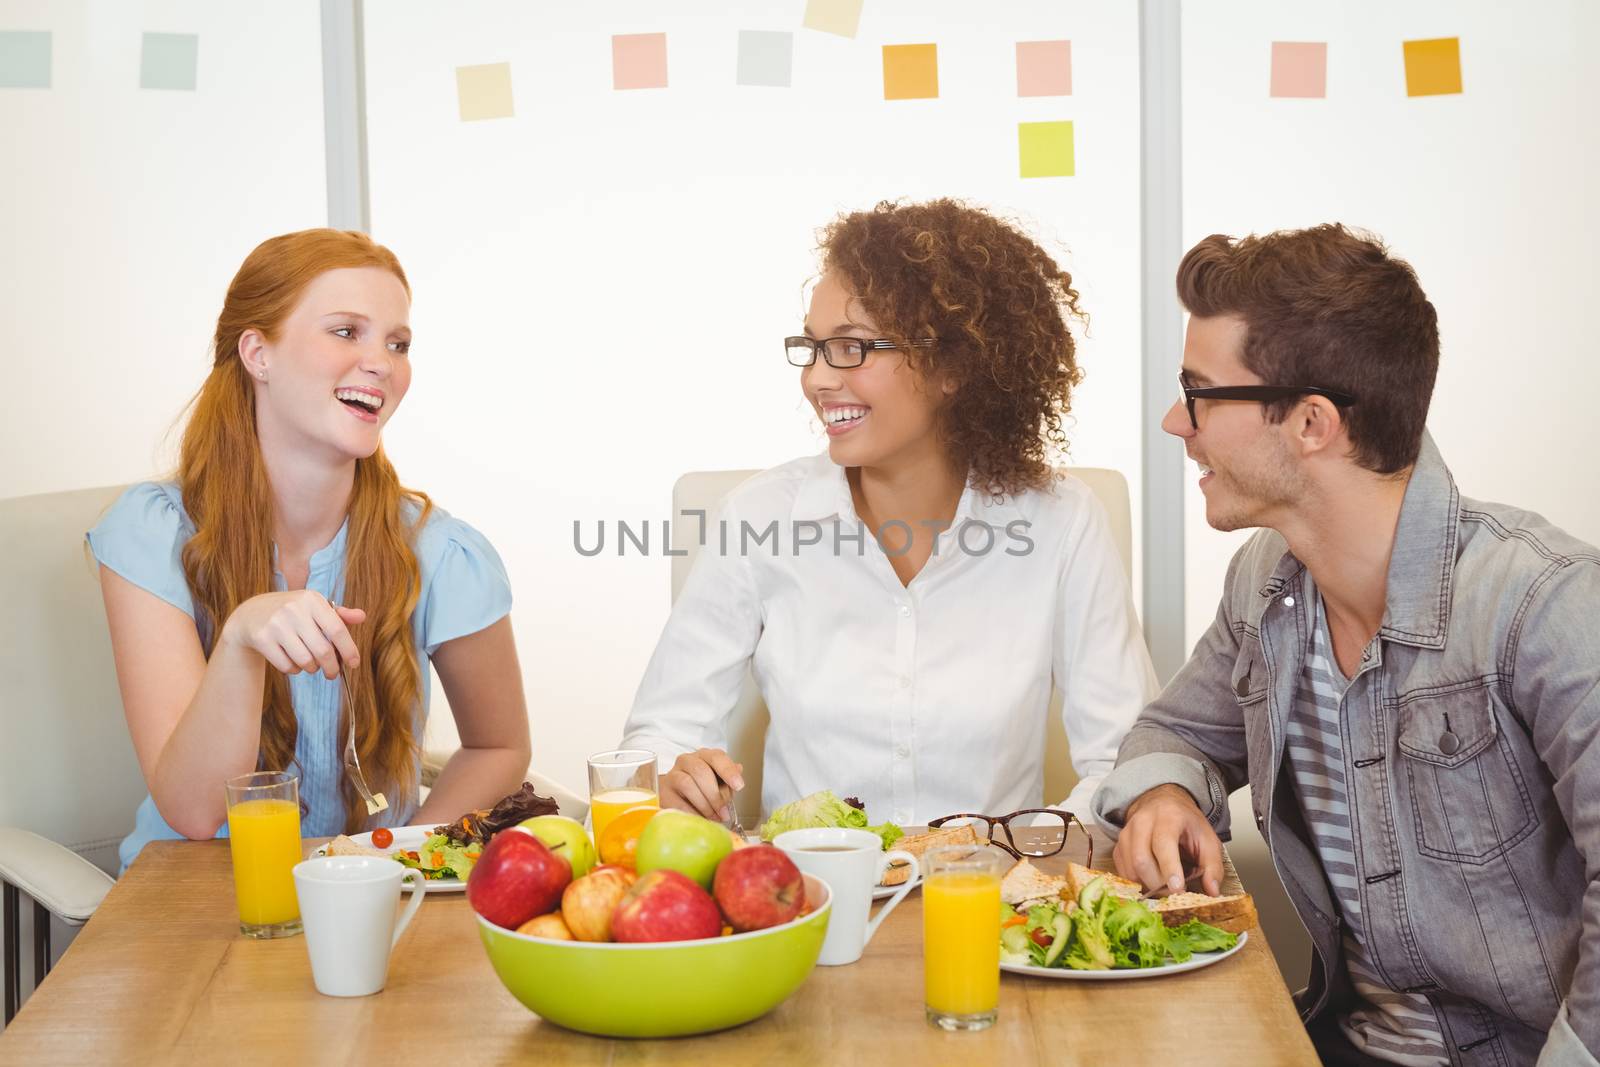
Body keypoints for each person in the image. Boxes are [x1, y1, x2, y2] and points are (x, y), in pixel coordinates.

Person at [1092, 224, 1598, 1065]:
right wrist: (1165, 799)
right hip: (1349, 1042)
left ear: (1312, 422)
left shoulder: (1545, 603)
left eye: (1200, 392)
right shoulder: (1266, 586)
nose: (1175, 420)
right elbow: (1173, 735)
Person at [622, 198, 1158, 829]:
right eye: (813, 347)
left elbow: (1125, 763)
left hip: (993, 900)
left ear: (953, 366)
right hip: (810, 897)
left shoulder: (1062, 522)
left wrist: (1020, 854)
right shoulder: (757, 519)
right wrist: (672, 774)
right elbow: (658, 737)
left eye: (850, 348)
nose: (818, 379)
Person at [89, 229, 532, 871]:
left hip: (372, 902)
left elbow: (499, 747)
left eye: (397, 343)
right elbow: (193, 811)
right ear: (257, 353)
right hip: (192, 900)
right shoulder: (152, 533)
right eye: (346, 331)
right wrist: (241, 640)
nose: (382, 361)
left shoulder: (440, 551)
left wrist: (400, 862)